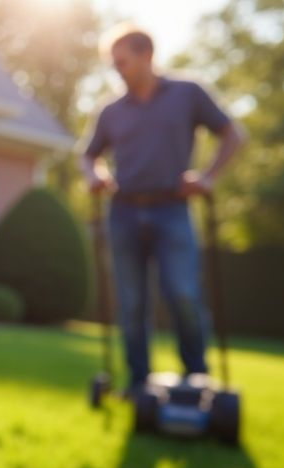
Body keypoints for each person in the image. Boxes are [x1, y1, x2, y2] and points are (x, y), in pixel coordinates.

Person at [80, 24, 243, 396]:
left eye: (121, 61)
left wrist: (208, 177)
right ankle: (139, 385)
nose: (116, 69)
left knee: (184, 295)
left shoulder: (187, 94)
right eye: (112, 63)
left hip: (173, 209)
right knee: (132, 304)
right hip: (122, 212)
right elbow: (88, 155)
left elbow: (233, 135)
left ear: (146, 55)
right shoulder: (111, 109)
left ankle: (197, 380)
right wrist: (95, 175)